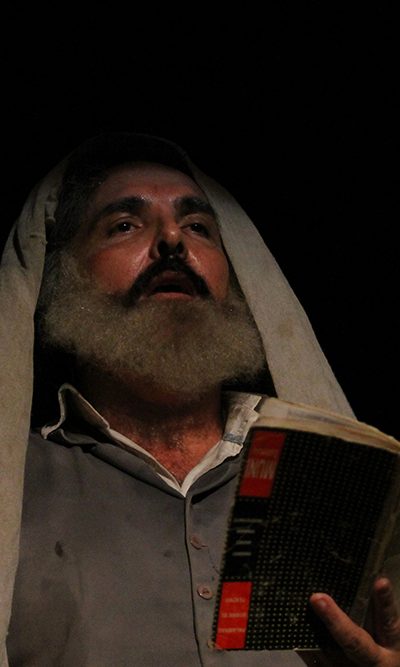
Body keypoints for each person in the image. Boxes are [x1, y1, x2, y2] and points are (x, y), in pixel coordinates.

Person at [0, 132, 398, 666]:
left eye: (198, 227)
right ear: (62, 278)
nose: (172, 240)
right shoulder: (16, 486)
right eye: (125, 225)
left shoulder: (328, 486)